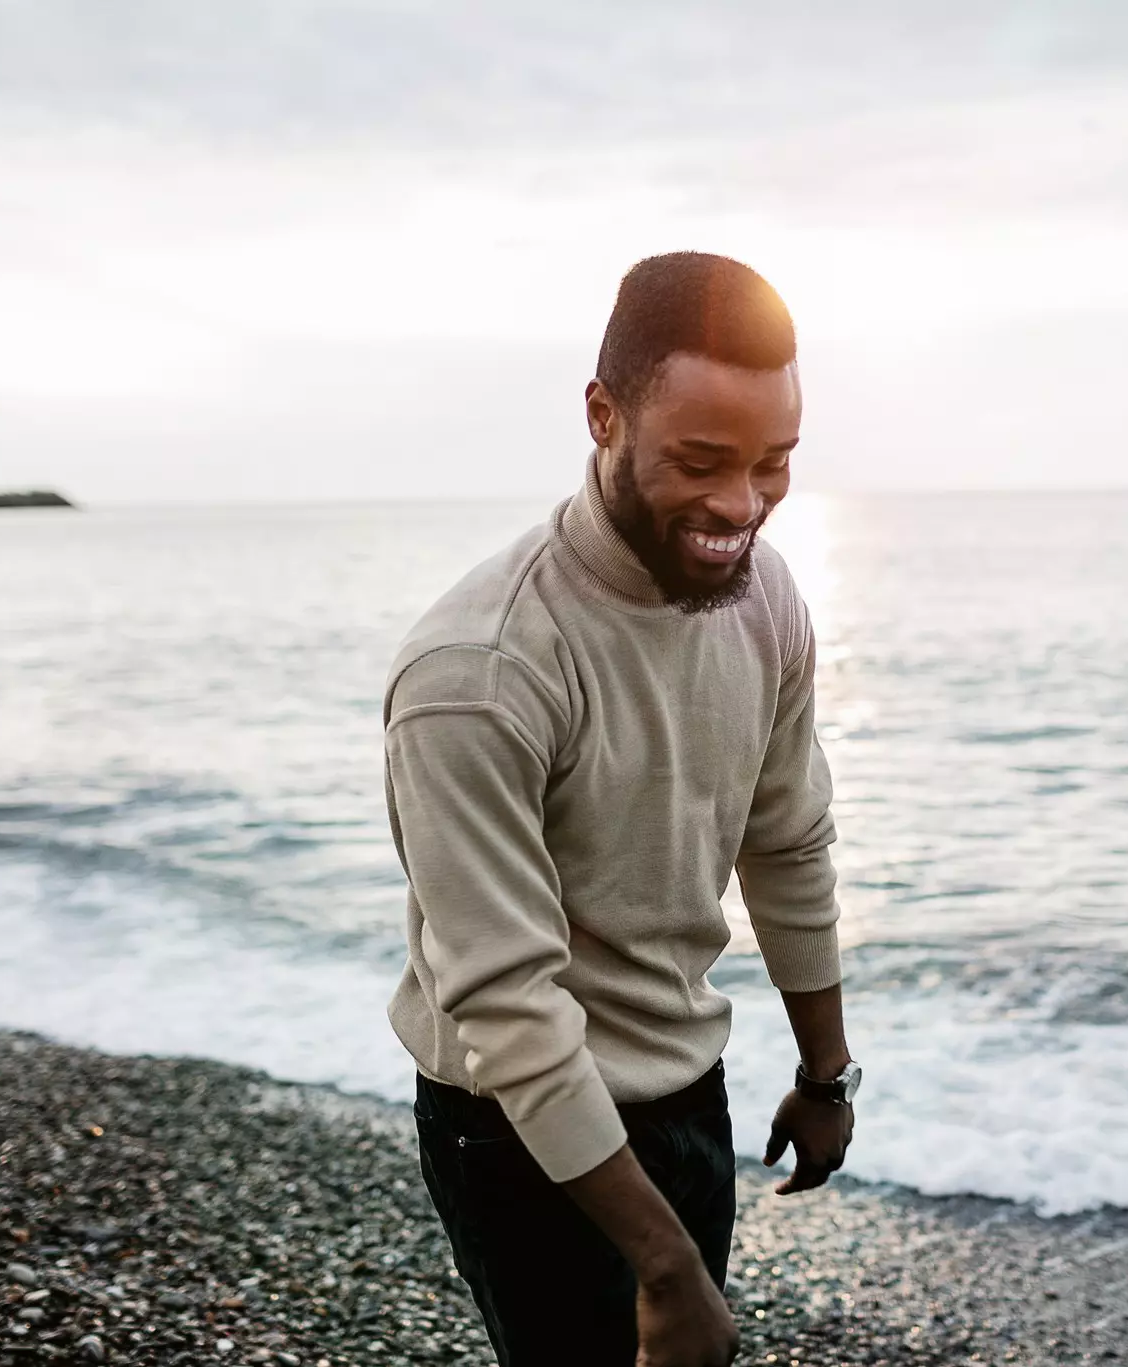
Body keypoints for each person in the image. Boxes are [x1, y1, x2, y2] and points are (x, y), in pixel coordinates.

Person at [381, 251, 861, 1366]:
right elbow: (505, 1001)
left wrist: (825, 1072)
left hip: (686, 1083)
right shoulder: (478, 672)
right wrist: (666, 1265)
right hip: (517, 1123)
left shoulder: (765, 596)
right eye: (700, 461)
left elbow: (787, 838)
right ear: (603, 415)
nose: (740, 506)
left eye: (773, 465)